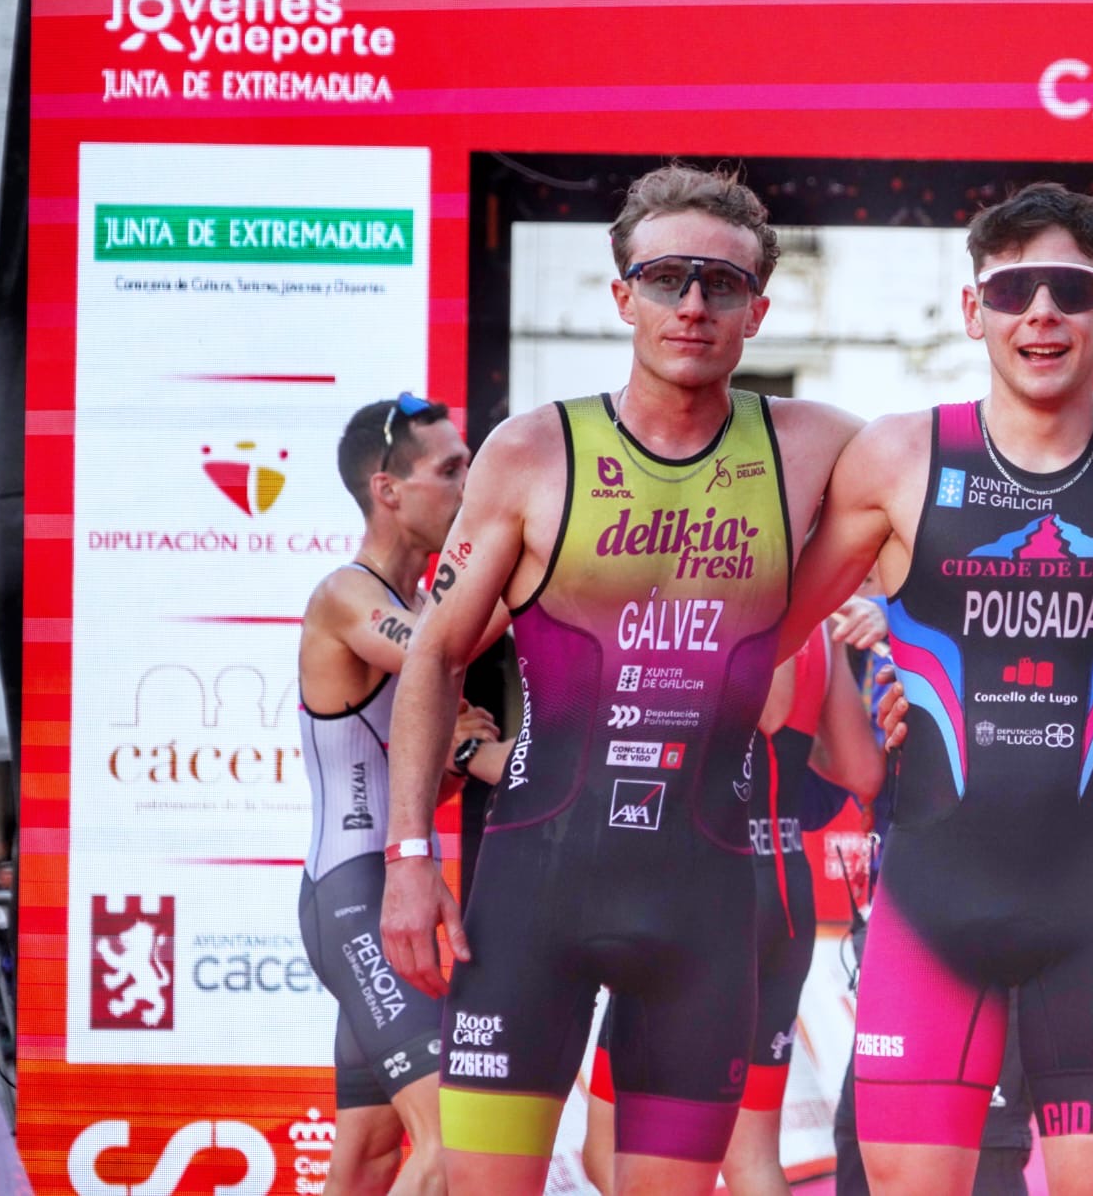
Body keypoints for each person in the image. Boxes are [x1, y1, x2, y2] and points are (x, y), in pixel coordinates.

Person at [377, 163, 877, 1196]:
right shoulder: (532, 451)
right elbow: (433, 652)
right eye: (664, 278)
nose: (691, 304)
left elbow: (966, 473)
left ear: (756, 311)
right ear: (622, 296)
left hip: (703, 912)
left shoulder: (816, 447)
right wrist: (409, 855)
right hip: (531, 899)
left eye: (721, 283)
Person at [774, 182, 1093, 1196]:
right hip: (931, 908)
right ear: (971, 309)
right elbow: (767, 627)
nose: (1040, 313)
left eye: (1068, 289)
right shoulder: (898, 456)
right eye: (1010, 289)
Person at [579, 619, 885, 1196]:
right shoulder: (820, 625)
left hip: (700, 893)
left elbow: (768, 708)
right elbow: (863, 771)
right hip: (782, 897)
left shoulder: (737, 597)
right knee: (750, 1158)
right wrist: (795, 752)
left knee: (614, 1153)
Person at [296, 395, 510, 1196]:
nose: (469, 484)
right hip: (352, 898)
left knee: (370, 1162)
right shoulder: (346, 596)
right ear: (387, 490)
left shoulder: (422, 608)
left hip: (386, 893)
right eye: (451, 469)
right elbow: (434, 649)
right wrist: (526, 565)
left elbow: (419, 786)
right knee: (453, 1145)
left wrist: (458, 756)